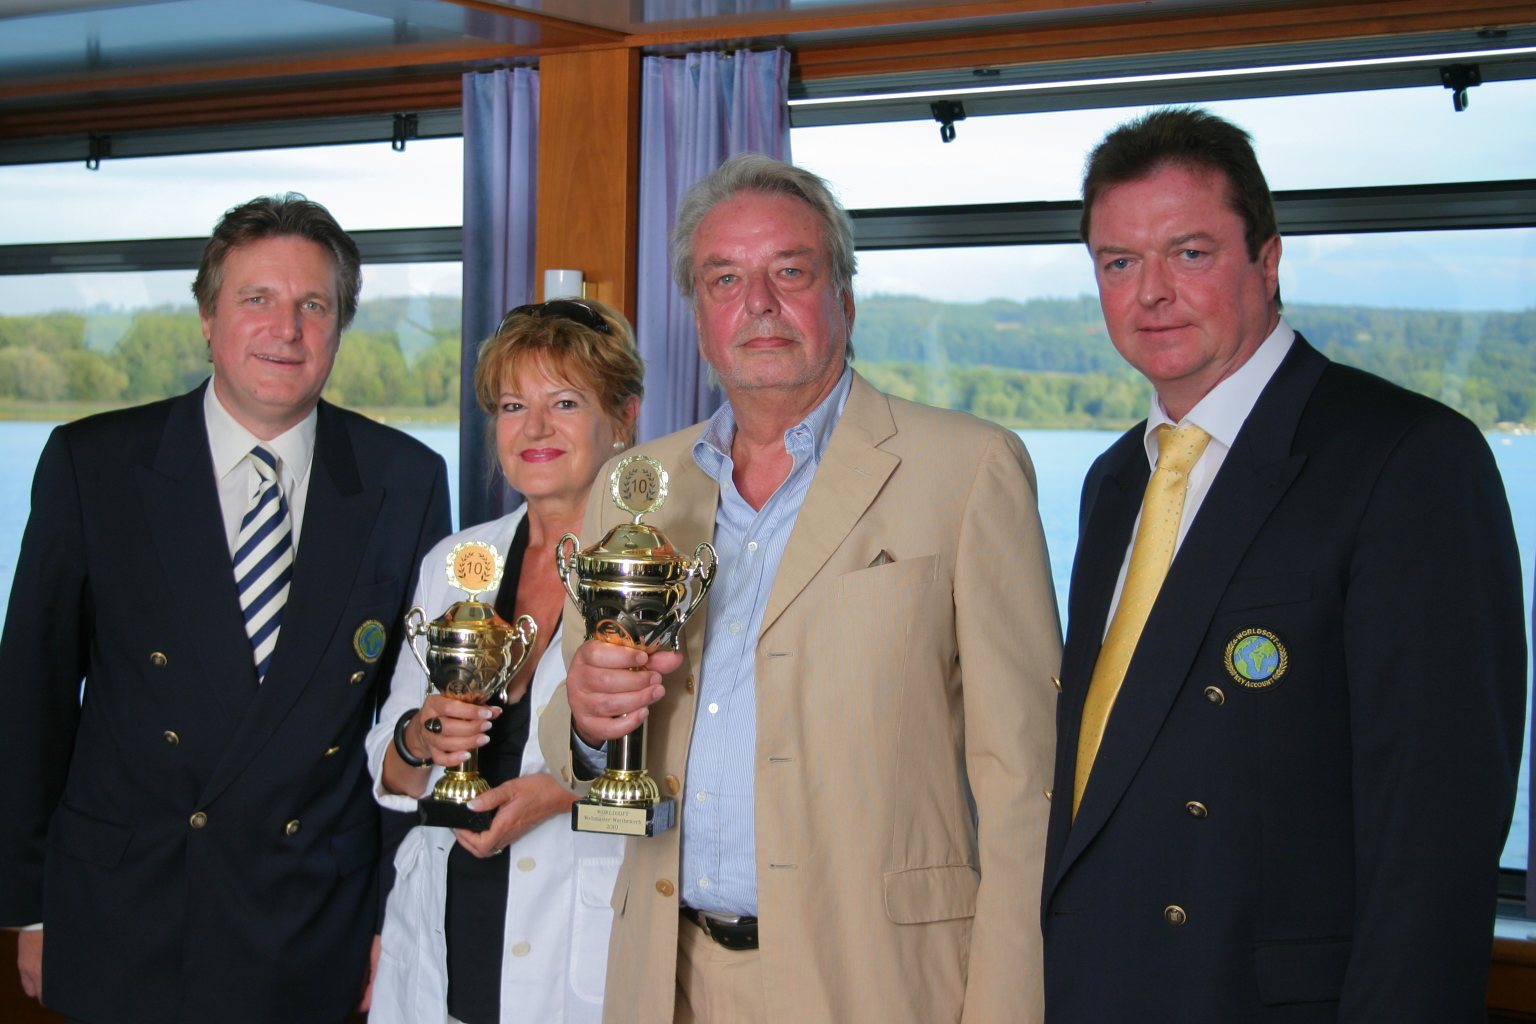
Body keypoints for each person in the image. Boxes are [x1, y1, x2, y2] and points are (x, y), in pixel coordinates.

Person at [544, 154, 1061, 1024]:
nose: (759, 303)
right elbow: (574, 734)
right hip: (665, 978)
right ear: (699, 318)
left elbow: (1026, 785)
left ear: (843, 299)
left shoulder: (969, 469)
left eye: (790, 272)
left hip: (878, 984)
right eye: (725, 279)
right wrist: (592, 724)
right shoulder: (637, 489)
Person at [1041, 107, 1526, 1022]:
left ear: (1267, 261)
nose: (1152, 293)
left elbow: (1436, 832)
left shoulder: (1407, 459)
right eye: (1119, 262)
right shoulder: (1114, 481)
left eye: (1190, 253)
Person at [0, 193, 452, 1023]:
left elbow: (410, 716)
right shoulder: (93, 465)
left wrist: (394, 911)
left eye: (314, 305)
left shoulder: (406, 479)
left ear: (340, 327)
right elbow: (30, 702)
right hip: (124, 913)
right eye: (257, 299)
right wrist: (28, 905)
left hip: (313, 916)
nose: (287, 329)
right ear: (208, 319)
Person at [366, 298, 639, 1024]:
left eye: (565, 403)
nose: (535, 428)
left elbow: (695, 781)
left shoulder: (656, 573)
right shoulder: (456, 560)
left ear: (623, 418)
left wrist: (561, 794)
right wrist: (419, 736)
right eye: (514, 405)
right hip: (439, 939)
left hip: (579, 943)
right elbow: (390, 773)